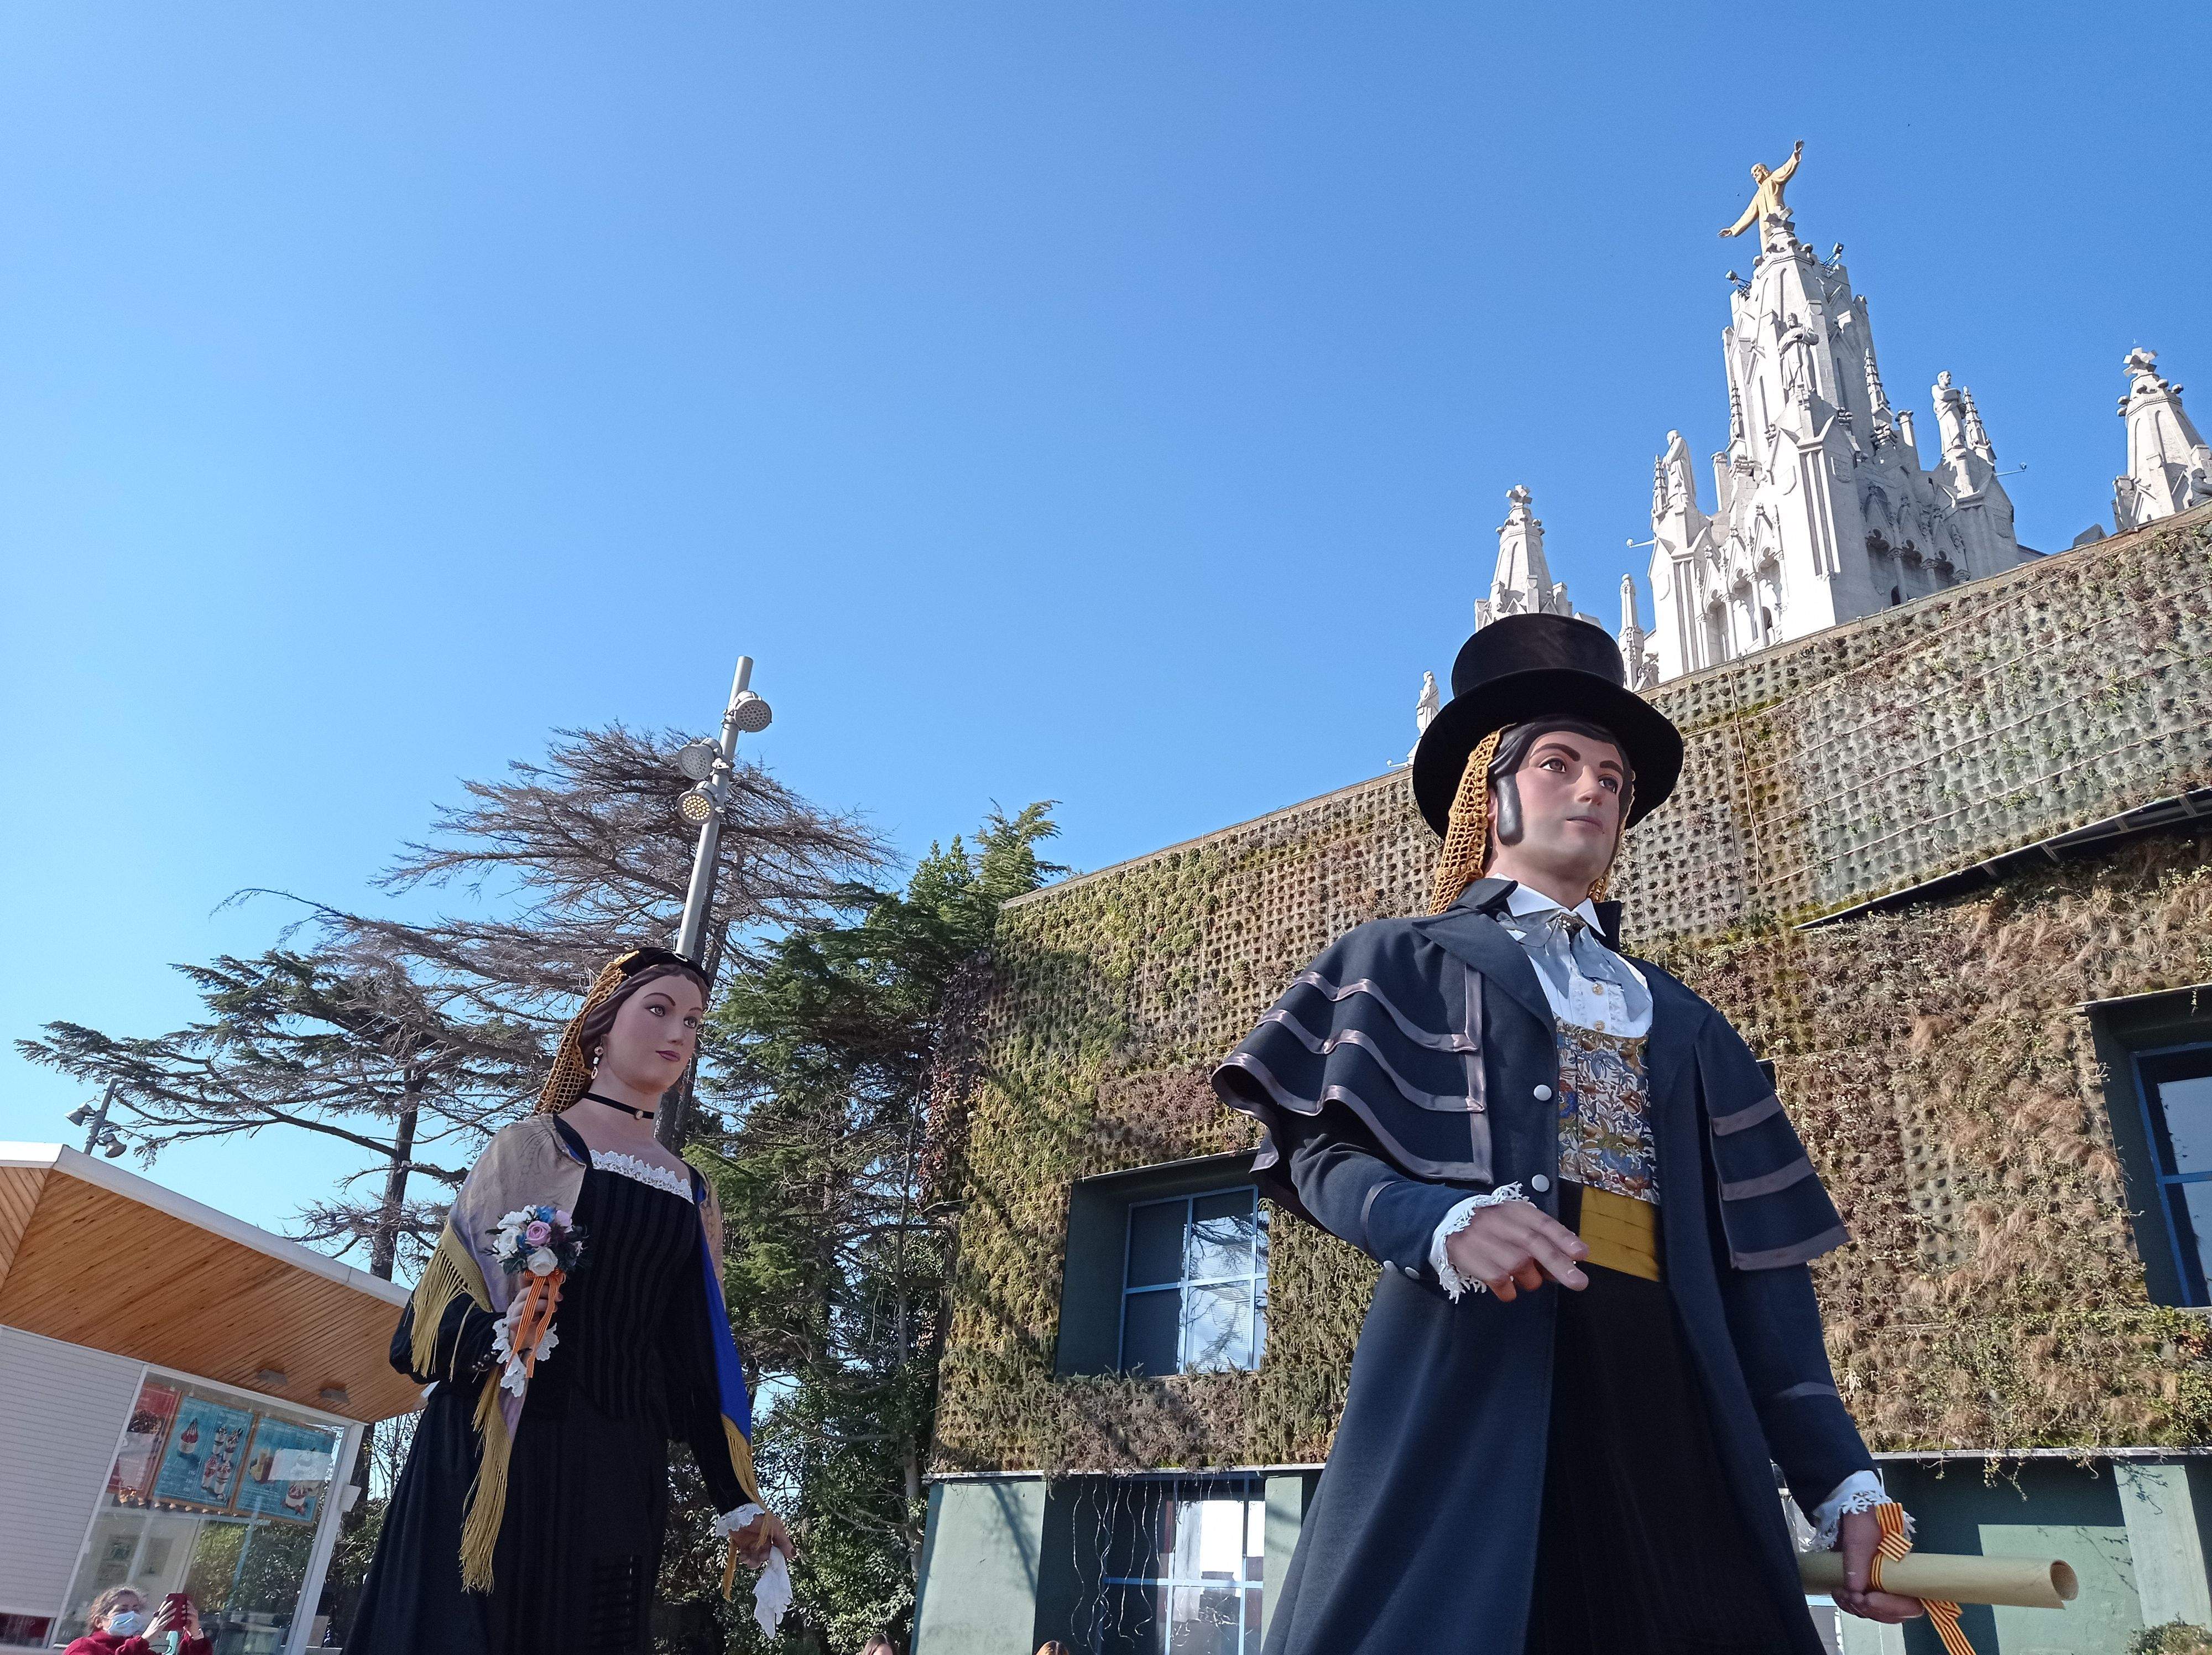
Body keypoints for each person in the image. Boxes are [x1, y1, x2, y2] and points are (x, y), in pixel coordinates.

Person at [1212, 614, 1925, 1654]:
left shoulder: (1680, 1016)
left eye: (1612, 777)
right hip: (1473, 1373)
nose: (1593, 787)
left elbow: (1765, 1281)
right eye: (1559, 763)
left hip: (1673, 1394)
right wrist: (1443, 1222)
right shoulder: (1400, 956)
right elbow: (1321, 1154)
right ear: (1487, 794)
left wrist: (1848, 1486)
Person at [350, 946, 794, 1654]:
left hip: (621, 1460)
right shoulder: (535, 1146)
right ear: (598, 1029)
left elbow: (695, 1354)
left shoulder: (690, 1189)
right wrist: (506, 1331)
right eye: (658, 1009)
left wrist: (736, 1495)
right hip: (506, 1448)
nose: (678, 1032)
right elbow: (429, 1320)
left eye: (693, 1019)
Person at [65, 1589, 210, 1655]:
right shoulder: (83, 1647)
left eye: (135, 1610)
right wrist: (144, 1641)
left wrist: (195, 1636)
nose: (131, 1615)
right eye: (122, 1610)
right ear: (99, 1621)